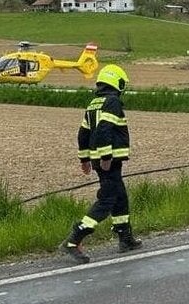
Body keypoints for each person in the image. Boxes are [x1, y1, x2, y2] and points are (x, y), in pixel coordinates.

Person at [60, 64, 142, 264]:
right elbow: (104, 129)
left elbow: (83, 133)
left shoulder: (94, 103)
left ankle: (125, 237)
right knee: (107, 200)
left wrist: (84, 158)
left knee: (120, 197)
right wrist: (106, 157)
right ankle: (74, 239)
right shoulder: (112, 102)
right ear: (117, 83)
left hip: (100, 159)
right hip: (108, 160)